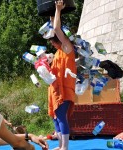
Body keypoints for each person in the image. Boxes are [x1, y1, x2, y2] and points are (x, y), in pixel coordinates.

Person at [47, 0, 76, 150]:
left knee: (61, 116)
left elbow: (57, 29)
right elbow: (54, 27)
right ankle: (60, 145)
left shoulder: (67, 48)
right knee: (56, 117)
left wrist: (58, 9)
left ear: (60, 40)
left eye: (53, 42)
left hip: (64, 89)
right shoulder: (58, 52)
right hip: (55, 89)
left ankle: (65, 147)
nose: (52, 44)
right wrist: (52, 14)